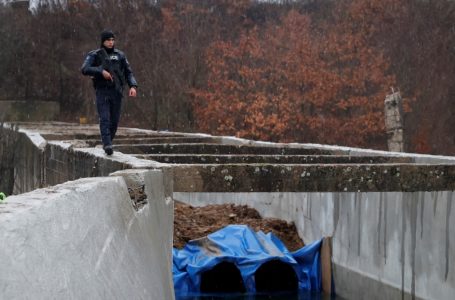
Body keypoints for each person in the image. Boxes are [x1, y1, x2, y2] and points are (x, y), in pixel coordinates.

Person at [81, 30, 138, 155]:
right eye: (108, 40)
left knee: (114, 121)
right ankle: (107, 145)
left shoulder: (120, 55)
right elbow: (85, 69)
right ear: (103, 41)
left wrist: (133, 86)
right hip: (102, 91)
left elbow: (128, 72)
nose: (111, 42)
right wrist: (101, 71)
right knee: (105, 118)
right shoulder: (95, 55)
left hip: (116, 91)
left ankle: (108, 142)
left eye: (113, 40)